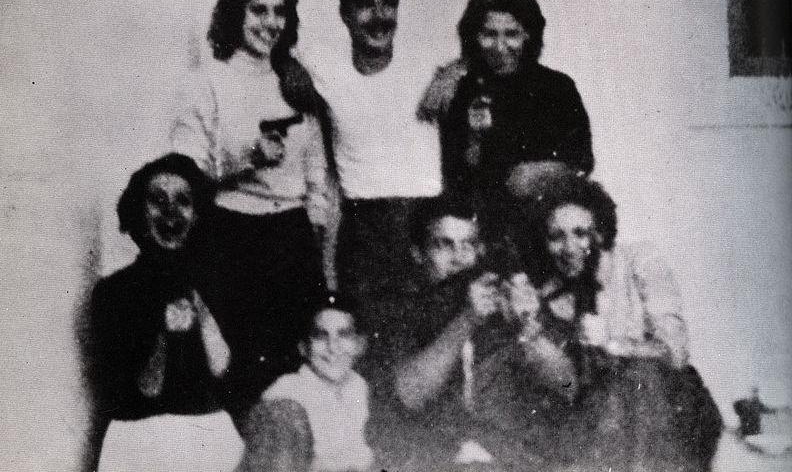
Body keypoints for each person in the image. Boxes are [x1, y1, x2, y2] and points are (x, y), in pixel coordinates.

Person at [170, 0, 332, 413]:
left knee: (296, 369)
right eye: (258, 10)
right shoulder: (207, 82)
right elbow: (183, 179)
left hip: (291, 240)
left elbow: (316, 172)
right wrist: (248, 160)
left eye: (280, 11)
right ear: (234, 14)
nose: (270, 22)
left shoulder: (296, 81)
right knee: (239, 375)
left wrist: (312, 231)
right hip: (230, 236)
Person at [515, 175, 723, 471]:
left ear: (600, 233)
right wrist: (531, 333)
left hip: (670, 405)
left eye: (580, 233)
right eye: (556, 237)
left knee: (636, 378)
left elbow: (674, 352)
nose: (570, 247)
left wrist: (611, 344)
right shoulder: (549, 295)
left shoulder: (639, 261)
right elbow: (569, 386)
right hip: (607, 424)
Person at [368, 196, 581, 472]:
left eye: (468, 245)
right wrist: (467, 319)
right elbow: (408, 395)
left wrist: (530, 330)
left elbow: (568, 388)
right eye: (444, 245)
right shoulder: (402, 313)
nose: (459, 259)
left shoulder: (506, 298)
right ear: (418, 253)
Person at [87, 153, 243, 472]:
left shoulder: (218, 284)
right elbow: (135, 395)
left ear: (197, 214)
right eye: (158, 200)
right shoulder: (113, 291)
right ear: (139, 212)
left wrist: (203, 319)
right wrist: (164, 337)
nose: (171, 211)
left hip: (208, 436)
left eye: (183, 201)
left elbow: (227, 377)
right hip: (139, 440)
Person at [308, 0, 443, 322]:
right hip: (364, 231)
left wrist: (459, 71)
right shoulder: (324, 72)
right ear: (345, 14)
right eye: (365, 4)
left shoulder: (431, 66)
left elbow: (484, 59)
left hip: (427, 223)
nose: (380, 16)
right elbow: (282, 63)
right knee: (369, 340)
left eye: (389, 3)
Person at [417, 0, 593, 207]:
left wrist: (538, 174)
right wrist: (475, 139)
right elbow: (457, 181)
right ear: (475, 36)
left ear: (528, 33)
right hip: (479, 219)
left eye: (511, 34)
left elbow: (582, 164)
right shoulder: (458, 88)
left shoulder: (557, 87)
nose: (500, 48)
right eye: (489, 34)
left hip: (544, 217)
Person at [235, 291, 375, 472]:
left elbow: (358, 454)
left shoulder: (357, 385)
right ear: (304, 347)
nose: (333, 347)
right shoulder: (287, 393)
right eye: (320, 336)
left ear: (359, 344)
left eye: (344, 334)